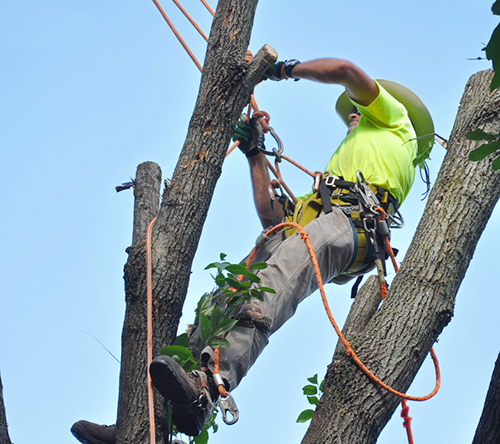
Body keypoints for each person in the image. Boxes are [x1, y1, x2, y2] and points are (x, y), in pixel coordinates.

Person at [71, 57, 434, 443]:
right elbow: (272, 217)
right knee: (220, 302)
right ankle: (145, 423)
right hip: (322, 219)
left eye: (357, 111)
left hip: (351, 221)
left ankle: (212, 383)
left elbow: (346, 71)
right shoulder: (336, 176)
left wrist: (282, 69)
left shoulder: (396, 123)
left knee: (271, 286)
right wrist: (255, 152)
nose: (351, 118)